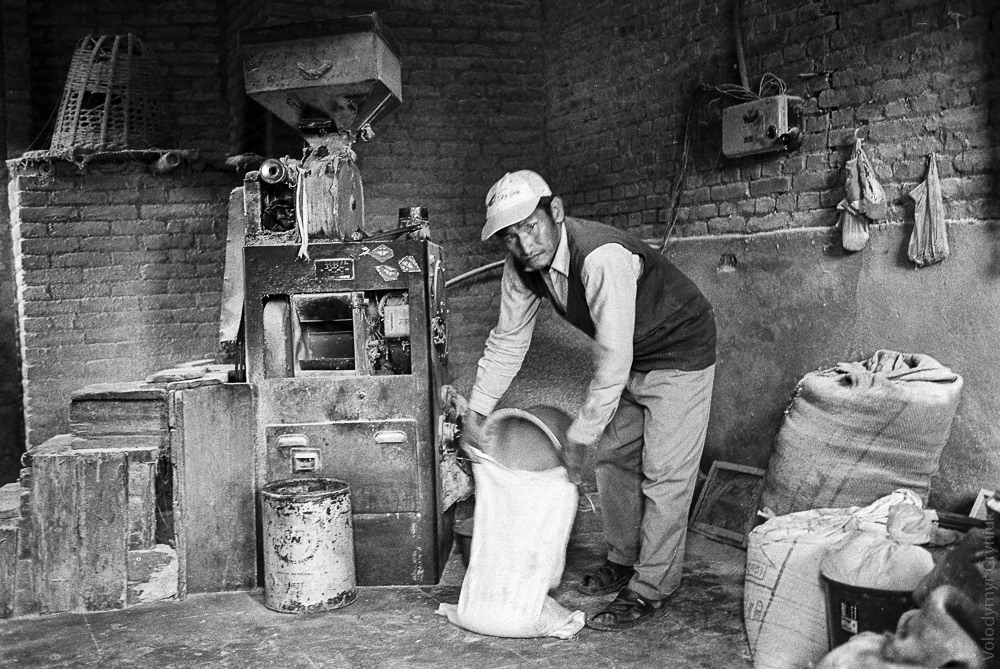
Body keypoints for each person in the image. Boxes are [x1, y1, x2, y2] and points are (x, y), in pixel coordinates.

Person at [462, 170, 717, 631]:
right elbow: (508, 341)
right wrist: (477, 411)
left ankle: (652, 587)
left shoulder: (600, 257)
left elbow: (614, 358)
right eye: (510, 237)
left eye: (531, 227)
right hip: (630, 355)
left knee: (665, 472)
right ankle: (623, 559)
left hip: (679, 347)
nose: (524, 245)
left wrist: (581, 431)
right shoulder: (521, 268)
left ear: (555, 212)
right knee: (613, 456)